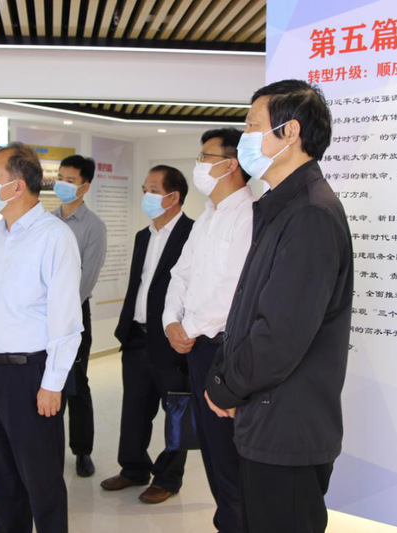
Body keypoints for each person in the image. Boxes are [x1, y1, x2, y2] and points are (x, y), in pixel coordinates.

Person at [204, 80, 354, 533]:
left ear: (290, 133)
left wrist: (225, 387)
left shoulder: (309, 213)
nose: (245, 137)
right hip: (267, 418)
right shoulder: (280, 206)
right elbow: (250, 311)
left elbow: (279, 336)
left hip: (288, 428)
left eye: (253, 126)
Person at [0, 142, 83, 533]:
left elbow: (66, 320)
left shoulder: (54, 237)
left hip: (31, 374)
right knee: (2, 478)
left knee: (41, 480)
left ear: (17, 186)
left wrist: (52, 384)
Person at [162, 128, 252, 533]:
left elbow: (233, 290)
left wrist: (189, 328)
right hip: (196, 347)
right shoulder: (207, 217)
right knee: (212, 451)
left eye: (205, 158)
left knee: (229, 454)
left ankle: (237, 523)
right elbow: (180, 274)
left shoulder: (249, 215)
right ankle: (227, 522)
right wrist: (171, 321)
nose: (198, 166)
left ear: (230, 164)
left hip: (223, 349)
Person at [100, 165, 193, 504]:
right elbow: (138, 285)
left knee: (176, 411)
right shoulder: (144, 236)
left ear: (173, 197)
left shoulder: (193, 234)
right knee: (135, 409)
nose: (146, 196)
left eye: (153, 190)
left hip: (171, 340)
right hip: (137, 337)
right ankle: (133, 468)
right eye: (144, 189)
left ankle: (168, 478)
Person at [52, 155, 107, 478]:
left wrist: (63, 312)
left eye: (70, 180)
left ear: (85, 187)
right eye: (60, 177)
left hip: (74, 313)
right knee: (47, 381)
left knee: (76, 383)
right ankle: (49, 447)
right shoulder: (46, 221)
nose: (62, 184)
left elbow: (87, 279)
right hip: (43, 314)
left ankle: (82, 450)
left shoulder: (93, 227)